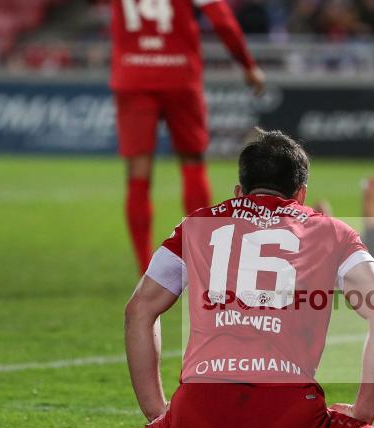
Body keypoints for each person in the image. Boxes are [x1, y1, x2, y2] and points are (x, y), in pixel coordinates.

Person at [59, 131, 374, 428]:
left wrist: (157, 412)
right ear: (301, 193)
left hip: (200, 412)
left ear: (240, 190)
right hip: (287, 419)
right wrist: (364, 410)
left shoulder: (195, 225)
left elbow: (138, 310)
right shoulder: (332, 231)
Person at [111, 0, 266, 273]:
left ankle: (146, 268)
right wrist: (247, 65)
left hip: (132, 73)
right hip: (179, 73)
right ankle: (201, 259)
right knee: (192, 162)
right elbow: (222, 21)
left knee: (138, 171)